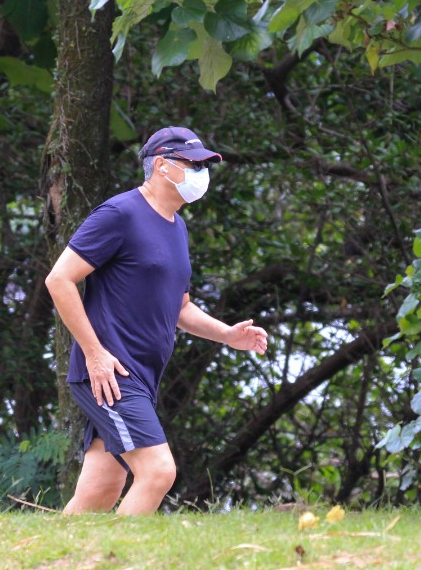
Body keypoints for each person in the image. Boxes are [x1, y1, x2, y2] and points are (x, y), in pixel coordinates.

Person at [44, 126, 268, 515]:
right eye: (193, 164)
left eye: (205, 165)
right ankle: (116, 559)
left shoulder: (177, 227)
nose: (202, 173)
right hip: (112, 374)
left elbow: (180, 308)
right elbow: (59, 279)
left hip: (144, 376)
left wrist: (227, 335)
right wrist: (95, 355)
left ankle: (52, 556)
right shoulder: (120, 214)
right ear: (162, 165)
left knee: (101, 487)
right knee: (159, 471)